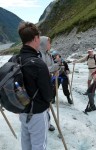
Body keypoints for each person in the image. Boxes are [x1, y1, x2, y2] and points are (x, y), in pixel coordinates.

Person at [18, 22, 53, 150]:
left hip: (22, 110)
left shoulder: (15, 59)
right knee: (39, 146)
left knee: (26, 144)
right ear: (36, 38)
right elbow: (48, 94)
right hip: (37, 113)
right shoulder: (38, 63)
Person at [38, 36, 60, 132]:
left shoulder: (49, 54)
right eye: (49, 43)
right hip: (41, 84)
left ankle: (47, 122)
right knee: (43, 105)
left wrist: (55, 72)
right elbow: (43, 69)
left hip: (49, 82)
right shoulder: (39, 55)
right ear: (43, 43)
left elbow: (51, 68)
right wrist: (55, 67)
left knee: (48, 105)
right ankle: (42, 123)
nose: (50, 45)